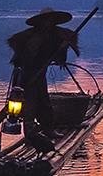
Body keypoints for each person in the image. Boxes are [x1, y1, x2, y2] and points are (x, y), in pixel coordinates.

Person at [7, 8, 79, 152]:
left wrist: (62, 50)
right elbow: (22, 56)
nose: (49, 23)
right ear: (40, 22)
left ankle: (47, 129)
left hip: (40, 73)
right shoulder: (30, 37)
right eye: (46, 20)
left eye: (51, 20)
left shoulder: (56, 35)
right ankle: (30, 134)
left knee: (44, 100)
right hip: (27, 73)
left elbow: (58, 53)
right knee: (29, 103)